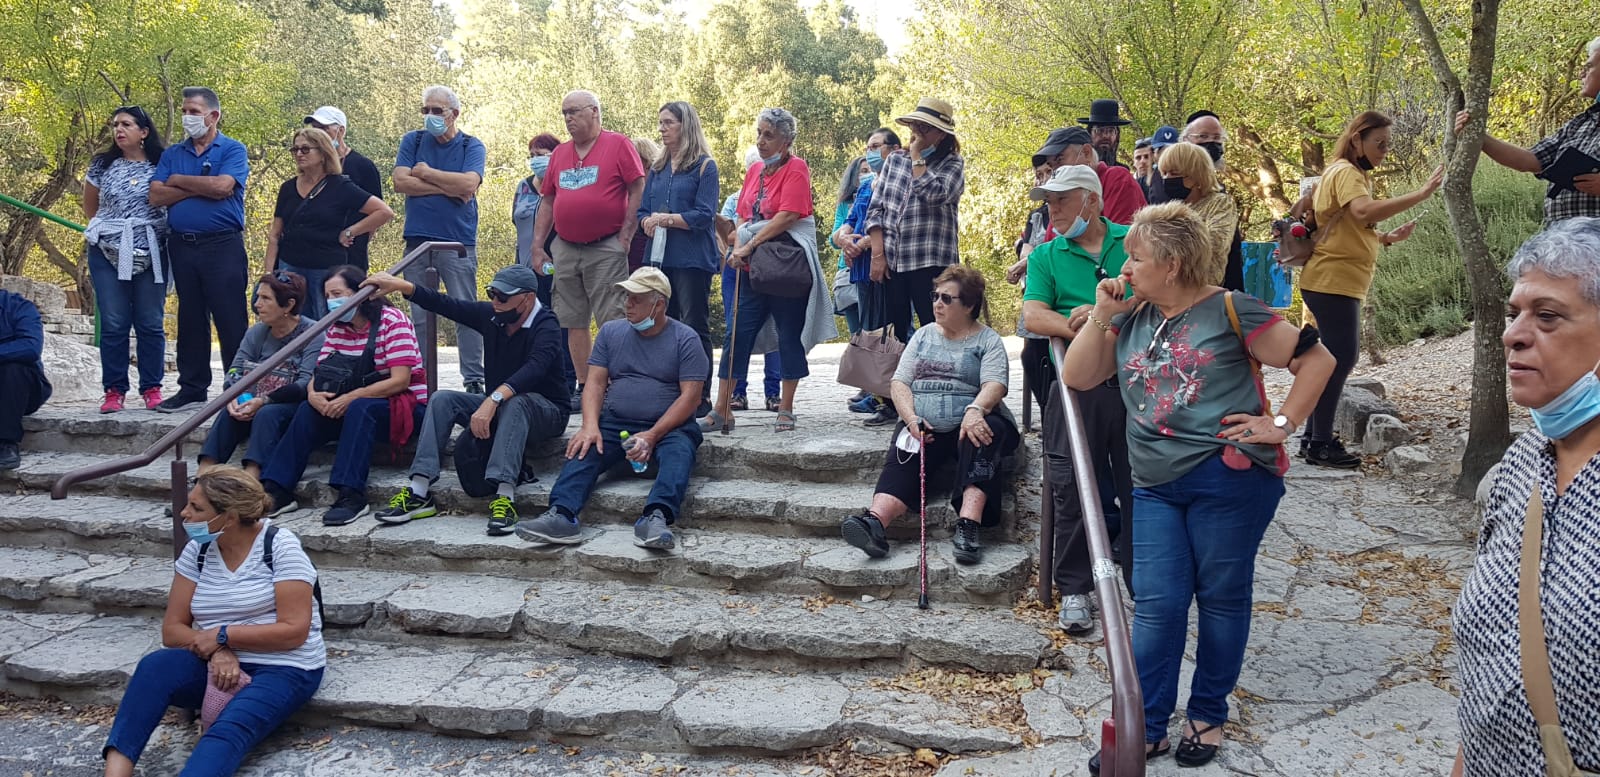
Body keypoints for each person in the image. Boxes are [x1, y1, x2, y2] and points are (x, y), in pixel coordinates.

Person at [1060, 202, 1335, 773]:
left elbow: (1318, 360)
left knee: (1220, 598)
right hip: (1152, 483)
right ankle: (1146, 726)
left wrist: (1281, 423)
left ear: (1173, 264)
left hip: (1226, 477)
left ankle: (1207, 714)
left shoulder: (1233, 309)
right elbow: (1078, 376)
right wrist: (1104, 314)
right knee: (1156, 605)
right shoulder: (1132, 315)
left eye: (1137, 258)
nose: (1125, 268)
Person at [1451, 217, 1600, 777]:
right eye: (1515, 313)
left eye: (1548, 315)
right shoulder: (1523, 462)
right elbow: (1490, 677)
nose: (1512, 334)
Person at [101, 467, 324, 777]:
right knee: (155, 668)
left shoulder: (280, 547)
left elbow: (294, 631)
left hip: (284, 666)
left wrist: (222, 635)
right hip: (214, 662)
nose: (184, 513)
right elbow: (173, 629)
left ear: (229, 517)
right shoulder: (199, 550)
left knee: (228, 730)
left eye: (196, 507)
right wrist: (218, 649)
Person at [364, 265, 567, 536]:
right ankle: (419, 490)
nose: (495, 301)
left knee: (517, 402)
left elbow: (535, 368)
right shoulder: (493, 315)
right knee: (442, 399)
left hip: (547, 411)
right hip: (501, 404)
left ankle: (505, 496)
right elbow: (447, 304)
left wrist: (493, 399)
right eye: (492, 294)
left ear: (528, 298)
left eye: (503, 297)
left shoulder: (547, 324)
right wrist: (402, 286)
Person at [516, 268, 707, 549]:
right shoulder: (610, 332)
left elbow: (690, 398)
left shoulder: (686, 339)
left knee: (679, 453)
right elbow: (594, 383)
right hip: (616, 421)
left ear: (659, 305)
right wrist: (589, 425)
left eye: (636, 299)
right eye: (627, 297)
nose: (627, 304)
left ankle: (656, 517)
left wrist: (652, 435)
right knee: (584, 448)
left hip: (669, 427)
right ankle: (562, 515)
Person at [1021, 165, 1136, 635]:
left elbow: (1159, 294)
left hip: (1135, 385)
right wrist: (1089, 323)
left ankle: (1145, 585)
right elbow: (1032, 315)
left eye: (1061, 200)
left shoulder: (1134, 239)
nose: (1052, 210)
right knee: (1069, 485)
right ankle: (1074, 588)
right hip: (1075, 386)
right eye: (1048, 201)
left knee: (1141, 486)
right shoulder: (1045, 254)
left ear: (1091, 199)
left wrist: (1109, 311)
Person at [839, 265, 1018, 565]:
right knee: (905, 447)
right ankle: (875, 523)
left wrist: (975, 410)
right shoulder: (922, 336)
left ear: (969, 305)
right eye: (935, 296)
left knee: (984, 431)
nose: (937, 303)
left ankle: (968, 525)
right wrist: (910, 419)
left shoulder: (987, 340)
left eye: (947, 298)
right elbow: (899, 383)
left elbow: (995, 384)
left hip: (967, 421)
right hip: (922, 422)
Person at [1298, 111, 1441, 468]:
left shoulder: (1344, 173)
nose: (1384, 152)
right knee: (1339, 360)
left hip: (1335, 281)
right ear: (1356, 140)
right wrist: (1421, 193)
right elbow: (1362, 212)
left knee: (1332, 360)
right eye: (1379, 144)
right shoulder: (1346, 172)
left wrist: (1386, 237)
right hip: (1333, 281)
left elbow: (1347, 226)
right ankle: (1320, 443)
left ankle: (1312, 438)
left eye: (1387, 145)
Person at [257, 266, 429, 527]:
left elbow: (400, 380)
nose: (332, 301)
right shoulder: (337, 327)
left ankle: (351, 494)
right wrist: (313, 395)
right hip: (353, 406)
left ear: (361, 293)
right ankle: (277, 488)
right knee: (307, 409)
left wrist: (351, 398)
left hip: (402, 408)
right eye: (328, 296)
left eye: (337, 294)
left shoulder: (392, 321)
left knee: (361, 407)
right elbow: (320, 370)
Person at [702, 107, 833, 434]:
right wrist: (738, 242)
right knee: (736, 333)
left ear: (786, 141)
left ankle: (786, 408)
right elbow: (744, 215)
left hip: (784, 267)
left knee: (788, 334)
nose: (761, 141)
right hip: (752, 268)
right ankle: (722, 409)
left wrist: (749, 244)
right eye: (759, 133)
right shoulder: (755, 171)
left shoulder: (797, 168)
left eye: (769, 135)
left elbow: (788, 216)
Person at [533, 89, 646, 405]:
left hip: (605, 245)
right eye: (564, 113)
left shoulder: (618, 144)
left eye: (574, 111)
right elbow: (548, 201)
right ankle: (586, 386)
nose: (568, 118)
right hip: (566, 247)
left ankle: (615, 385)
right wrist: (538, 246)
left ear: (594, 111)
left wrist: (627, 233)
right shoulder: (560, 154)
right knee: (572, 320)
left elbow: (638, 186)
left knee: (612, 319)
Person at [148, 87, 251, 413]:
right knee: (190, 318)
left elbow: (223, 186)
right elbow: (156, 196)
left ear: (213, 115)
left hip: (222, 245)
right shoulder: (173, 153)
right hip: (183, 245)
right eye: (184, 111)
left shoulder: (232, 149)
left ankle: (239, 388)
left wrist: (178, 180)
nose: (187, 117)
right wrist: (198, 187)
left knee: (230, 318)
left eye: (193, 111)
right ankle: (192, 388)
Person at [393, 84, 487, 395]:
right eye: (426, 110)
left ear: (454, 114)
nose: (430, 116)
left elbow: (469, 183)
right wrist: (450, 188)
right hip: (417, 243)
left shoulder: (471, 146)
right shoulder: (413, 140)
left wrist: (425, 172)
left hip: (458, 243)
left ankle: (473, 379)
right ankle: (422, 379)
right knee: (420, 315)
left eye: (437, 110)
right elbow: (400, 182)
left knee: (466, 312)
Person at [1455, 37, 1600, 226]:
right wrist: (1476, 135)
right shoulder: (1579, 124)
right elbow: (1529, 160)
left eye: (1589, 66)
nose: (1581, 73)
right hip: (1560, 235)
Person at [864, 98, 966, 361]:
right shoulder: (895, 160)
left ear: (941, 134)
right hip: (893, 262)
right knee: (897, 333)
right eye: (914, 125)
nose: (916, 132)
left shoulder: (953, 164)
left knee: (938, 329)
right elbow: (875, 209)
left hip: (931, 263)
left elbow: (934, 194)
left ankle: (937, 380)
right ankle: (895, 384)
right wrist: (878, 255)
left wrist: (917, 158)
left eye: (925, 127)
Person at [197, 272, 325, 480]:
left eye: (266, 298)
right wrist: (234, 396)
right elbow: (235, 370)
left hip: (290, 405)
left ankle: (251, 478)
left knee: (267, 414)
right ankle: (203, 475)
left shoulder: (313, 334)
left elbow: (303, 383)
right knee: (228, 412)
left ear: (288, 305)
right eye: (258, 297)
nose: (257, 304)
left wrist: (264, 401)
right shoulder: (257, 332)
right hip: (254, 400)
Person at [82, 105, 169, 413]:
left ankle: (152, 388)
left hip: (152, 248)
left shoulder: (163, 162)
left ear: (143, 132)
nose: (118, 130)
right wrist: (112, 232)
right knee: (114, 321)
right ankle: (114, 390)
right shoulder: (102, 164)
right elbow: (90, 206)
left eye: (126, 124)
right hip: (106, 249)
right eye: (115, 124)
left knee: (150, 321)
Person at [639, 101, 720, 413]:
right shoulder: (657, 169)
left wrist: (667, 219)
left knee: (694, 324)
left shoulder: (704, 167)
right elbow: (643, 210)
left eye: (668, 122)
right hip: (659, 258)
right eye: (660, 123)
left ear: (686, 125)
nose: (662, 129)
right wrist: (647, 221)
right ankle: (669, 392)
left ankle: (700, 394)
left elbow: (704, 214)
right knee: (661, 323)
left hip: (692, 258)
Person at [265, 127, 394, 320]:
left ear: (323, 152)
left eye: (305, 149)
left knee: (327, 322)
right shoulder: (288, 188)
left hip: (325, 268)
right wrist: (269, 275)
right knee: (290, 321)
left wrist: (351, 231)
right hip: (290, 268)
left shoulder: (341, 186)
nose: (299, 154)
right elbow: (275, 235)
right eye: (295, 149)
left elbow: (384, 212)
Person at [514, 132, 577, 407]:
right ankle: (534, 379)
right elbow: (518, 227)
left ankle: (568, 380)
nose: (535, 160)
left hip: (558, 267)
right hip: (526, 271)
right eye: (532, 156)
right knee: (530, 326)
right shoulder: (523, 186)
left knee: (562, 324)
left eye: (541, 155)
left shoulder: (565, 185)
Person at [718, 148, 781, 413]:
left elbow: (739, 232)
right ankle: (737, 393)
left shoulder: (779, 197)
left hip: (771, 269)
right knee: (737, 332)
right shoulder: (735, 199)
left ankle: (773, 394)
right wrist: (761, 231)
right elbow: (727, 235)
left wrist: (746, 233)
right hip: (738, 270)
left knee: (774, 330)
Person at [1007, 161, 1058, 426]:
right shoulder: (1036, 215)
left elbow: (1050, 248)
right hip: (1037, 292)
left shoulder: (1071, 214)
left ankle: (1057, 419)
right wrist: (1022, 262)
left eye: (1048, 172)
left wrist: (1026, 262)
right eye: (1039, 175)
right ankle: (1049, 417)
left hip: (1062, 297)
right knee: (1031, 357)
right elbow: (1027, 248)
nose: (1043, 178)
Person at [304, 106, 384, 271]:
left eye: (323, 129)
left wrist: (352, 233)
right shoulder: (311, 166)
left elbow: (378, 214)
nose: (318, 135)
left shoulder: (363, 166)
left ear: (340, 131)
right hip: (312, 255)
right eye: (314, 129)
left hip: (350, 256)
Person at [1157, 142, 1238, 286]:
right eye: (1164, 173)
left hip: (1204, 290)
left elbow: (1215, 242)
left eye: (1174, 173)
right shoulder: (1169, 209)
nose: (1168, 178)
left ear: (1197, 175)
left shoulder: (1220, 203)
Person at [1032, 126, 1145, 225]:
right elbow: (1052, 239)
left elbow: (1120, 239)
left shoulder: (1117, 179)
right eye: (1052, 166)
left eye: (1060, 160)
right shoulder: (1062, 194)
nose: (1056, 171)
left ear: (1086, 153)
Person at [0, 289, 51, 471]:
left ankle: (6, 443)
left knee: (14, 367)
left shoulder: (19, 307)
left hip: (21, 389)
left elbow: (31, 347)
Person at [1079, 98, 1132, 167]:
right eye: (1100, 130)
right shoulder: (1079, 169)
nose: (1106, 136)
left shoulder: (1123, 171)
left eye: (1111, 131)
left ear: (1117, 136)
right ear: (1089, 133)